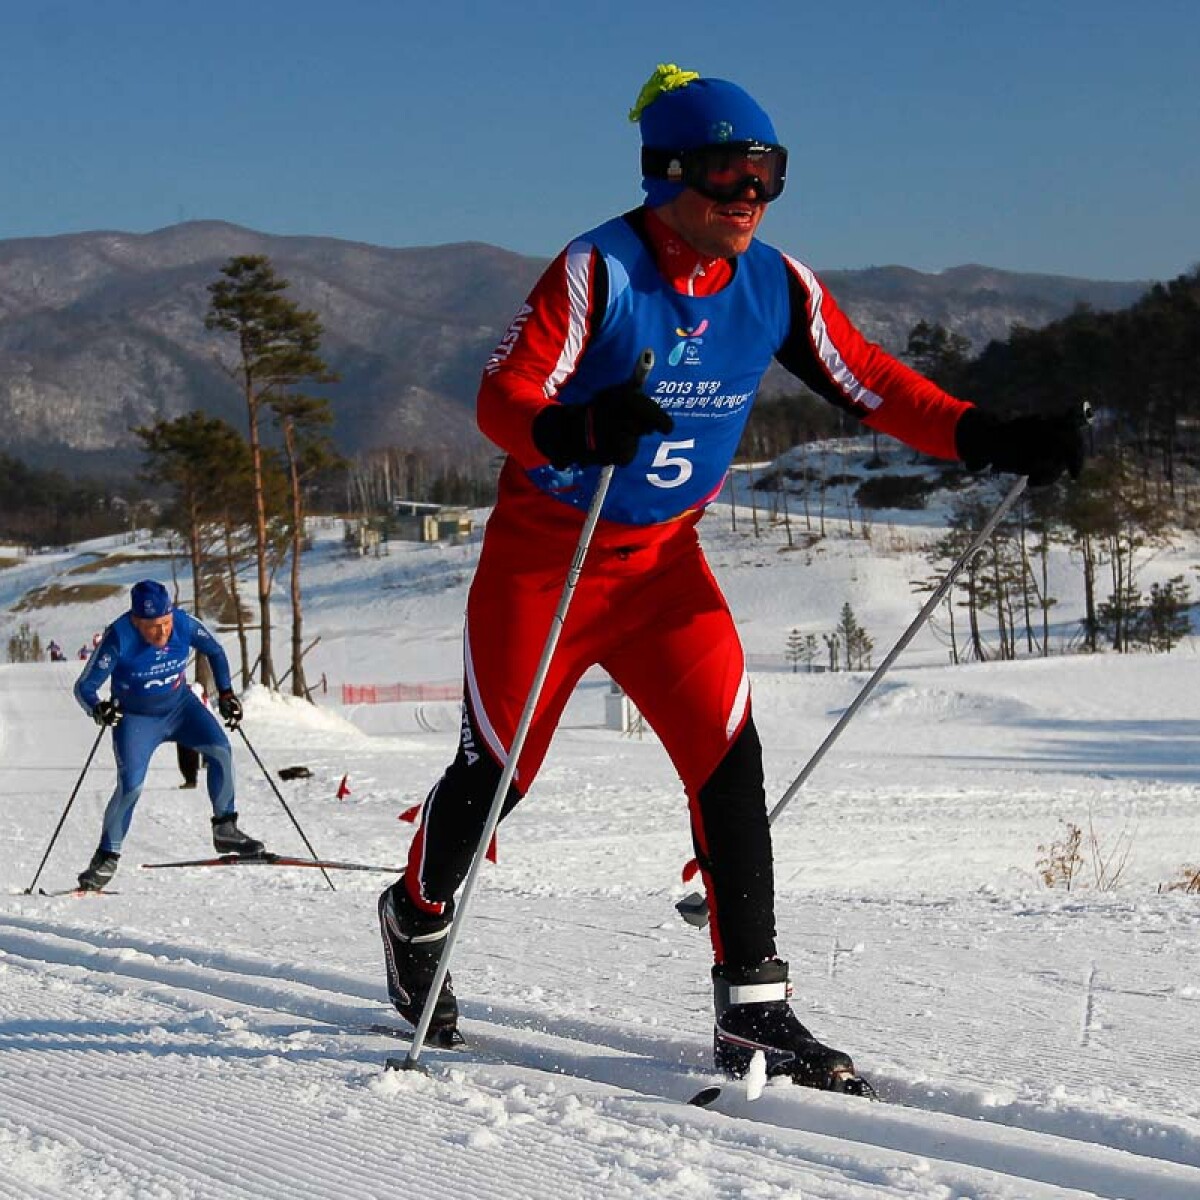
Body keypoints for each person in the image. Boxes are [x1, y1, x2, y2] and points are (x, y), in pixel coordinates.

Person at [377, 64, 1085, 1091]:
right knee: (498, 778)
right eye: (728, 175)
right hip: (550, 563)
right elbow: (502, 398)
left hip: (665, 563)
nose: (749, 198)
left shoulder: (775, 285)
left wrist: (988, 434)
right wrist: (574, 426)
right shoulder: (599, 270)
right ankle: (416, 915)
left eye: (769, 176)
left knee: (728, 758)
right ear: (666, 176)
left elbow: (870, 382)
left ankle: (753, 1014)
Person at [73, 580, 261, 891]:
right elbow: (84, 687)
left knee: (221, 751)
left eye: (165, 623)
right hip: (136, 719)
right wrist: (98, 709)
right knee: (130, 786)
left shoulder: (184, 624)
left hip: (181, 707)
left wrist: (226, 694)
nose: (161, 633)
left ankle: (225, 828)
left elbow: (214, 650)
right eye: (151, 627)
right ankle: (106, 856)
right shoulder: (119, 636)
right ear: (135, 620)